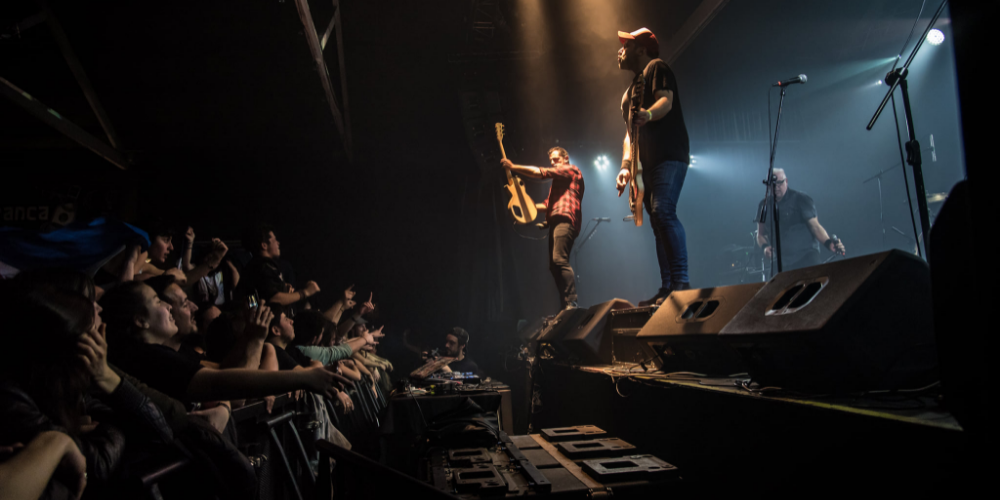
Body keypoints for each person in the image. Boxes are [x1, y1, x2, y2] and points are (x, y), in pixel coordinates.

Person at [614, 28, 692, 306]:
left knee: (663, 211)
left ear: (642, 48)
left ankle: (681, 281)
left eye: (626, 44)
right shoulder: (627, 95)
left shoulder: (656, 68)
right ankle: (668, 285)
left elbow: (666, 102)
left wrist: (648, 114)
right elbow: (628, 135)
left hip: (670, 155)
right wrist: (625, 166)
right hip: (644, 166)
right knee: (658, 223)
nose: (620, 50)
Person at [502, 147, 585, 310]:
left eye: (556, 159)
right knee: (553, 265)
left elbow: (541, 173)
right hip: (556, 221)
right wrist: (523, 203)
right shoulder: (558, 184)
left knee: (559, 259)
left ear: (566, 158)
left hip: (565, 218)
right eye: (551, 161)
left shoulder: (571, 170)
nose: (553, 163)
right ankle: (565, 304)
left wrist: (513, 167)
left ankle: (571, 301)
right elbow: (546, 205)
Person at [755, 168, 846, 271]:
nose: (776, 187)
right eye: (772, 184)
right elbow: (760, 234)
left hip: (806, 257)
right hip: (780, 262)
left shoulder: (801, 199)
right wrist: (765, 247)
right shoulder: (764, 205)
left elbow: (815, 227)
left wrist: (829, 243)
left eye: (780, 183)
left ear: (786, 181)